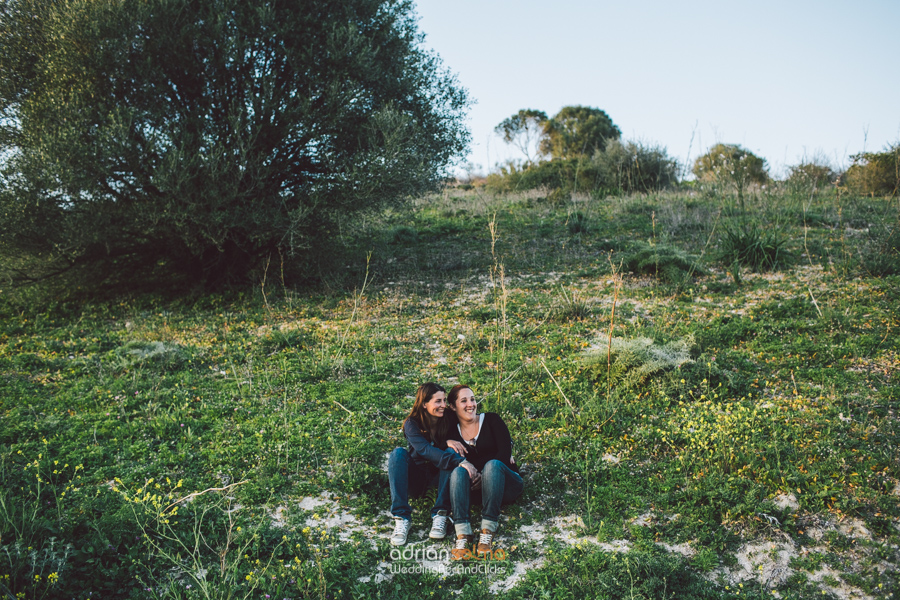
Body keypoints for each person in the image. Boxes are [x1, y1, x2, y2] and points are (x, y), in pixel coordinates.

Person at [387, 382, 479, 546]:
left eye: (444, 401)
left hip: (441, 478)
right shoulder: (412, 424)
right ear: (424, 403)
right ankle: (401, 518)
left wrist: (506, 447)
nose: (443, 405)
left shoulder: (448, 418)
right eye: (438, 401)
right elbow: (424, 450)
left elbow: (477, 422)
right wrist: (459, 459)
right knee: (397, 453)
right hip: (418, 479)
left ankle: (440, 514)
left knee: (452, 452)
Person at [445, 384, 523, 559]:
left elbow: (504, 453)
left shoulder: (491, 420)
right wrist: (446, 443)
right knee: (458, 472)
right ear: (452, 406)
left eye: (472, 399)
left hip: (506, 484)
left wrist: (483, 473)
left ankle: (487, 531)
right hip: (477, 491)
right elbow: (431, 443)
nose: (470, 404)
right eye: (463, 401)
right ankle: (463, 534)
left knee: (493, 465)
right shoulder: (451, 431)